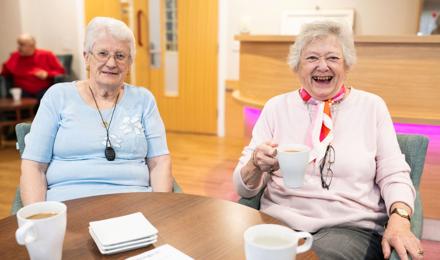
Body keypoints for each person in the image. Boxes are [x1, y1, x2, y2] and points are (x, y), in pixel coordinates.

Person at [233, 21, 423, 260]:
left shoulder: (371, 106)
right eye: (312, 58)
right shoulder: (276, 107)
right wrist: (255, 163)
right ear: (297, 66)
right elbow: (241, 187)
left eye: (333, 58)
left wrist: (400, 218)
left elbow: (393, 172)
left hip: (349, 228)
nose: (322, 66)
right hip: (279, 221)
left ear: (346, 65)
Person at [20, 17, 173, 204]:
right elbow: (34, 166)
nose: (111, 63)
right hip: (68, 207)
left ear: (130, 63)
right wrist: (40, 220)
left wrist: (161, 209)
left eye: (120, 55)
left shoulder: (143, 100)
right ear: (86, 57)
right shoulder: (58, 96)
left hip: (134, 205)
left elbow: (159, 162)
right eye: (102, 53)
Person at [1, 34, 65, 101]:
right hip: (22, 91)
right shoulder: (15, 56)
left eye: (22, 45)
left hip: (42, 90)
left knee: (47, 97)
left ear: (32, 46)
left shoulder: (46, 54)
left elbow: (61, 71)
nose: (18, 47)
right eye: (18, 44)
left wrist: (47, 74)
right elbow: (5, 72)